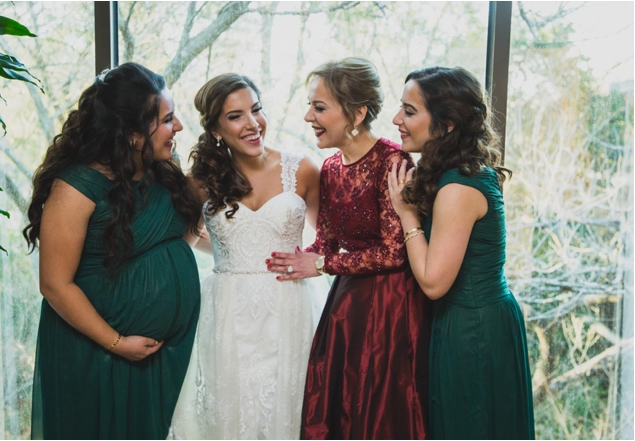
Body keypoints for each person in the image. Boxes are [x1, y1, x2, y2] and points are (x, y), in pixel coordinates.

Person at [23, 62, 202, 440]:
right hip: (96, 354)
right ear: (135, 134)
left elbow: (172, 241)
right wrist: (117, 343)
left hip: (159, 356)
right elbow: (55, 285)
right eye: (168, 120)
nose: (179, 128)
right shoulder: (76, 187)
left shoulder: (163, 174)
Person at [267, 58, 431, 440]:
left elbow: (395, 252)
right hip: (345, 305)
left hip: (389, 308)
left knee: (376, 410)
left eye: (319, 107)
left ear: (357, 112)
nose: (309, 115)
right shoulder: (329, 167)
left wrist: (323, 263)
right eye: (310, 106)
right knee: (337, 409)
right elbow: (325, 241)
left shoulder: (393, 161)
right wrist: (290, 262)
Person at [169, 73, 326, 440]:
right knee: (228, 416)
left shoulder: (303, 169)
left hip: (290, 308)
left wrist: (314, 263)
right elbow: (184, 244)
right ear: (216, 129)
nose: (253, 124)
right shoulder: (200, 181)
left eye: (256, 110)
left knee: (290, 411)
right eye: (236, 116)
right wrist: (231, 254)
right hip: (226, 315)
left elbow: (329, 242)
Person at [387, 66, 535, 439]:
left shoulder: (459, 187)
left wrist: (406, 215)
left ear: (447, 124)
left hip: (474, 331)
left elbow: (434, 282)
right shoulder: (456, 173)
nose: (396, 119)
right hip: (471, 321)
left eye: (409, 111)